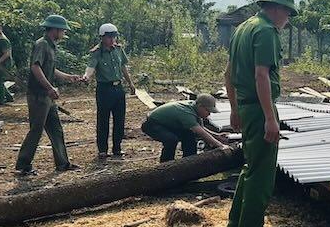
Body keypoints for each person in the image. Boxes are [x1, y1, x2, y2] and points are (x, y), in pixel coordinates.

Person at [224, 0, 297, 227]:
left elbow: (228, 73)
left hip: (245, 106)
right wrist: (270, 118)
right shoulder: (266, 31)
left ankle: (236, 223)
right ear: (276, 8)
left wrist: (234, 109)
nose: (287, 19)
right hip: (259, 108)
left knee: (250, 166)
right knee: (262, 175)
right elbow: (261, 76)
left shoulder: (243, 28)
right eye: (287, 12)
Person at [15, 15, 82, 176]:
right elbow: (35, 67)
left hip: (47, 97)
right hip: (38, 95)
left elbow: (50, 69)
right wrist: (50, 87)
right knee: (36, 130)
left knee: (56, 129)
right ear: (55, 29)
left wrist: (68, 77)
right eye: (63, 30)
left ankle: (63, 163)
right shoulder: (42, 44)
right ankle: (23, 165)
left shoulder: (51, 46)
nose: (64, 33)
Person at [82, 23, 136, 160]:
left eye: (114, 36)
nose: (112, 40)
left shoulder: (118, 49)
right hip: (104, 89)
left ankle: (117, 148)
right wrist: (86, 77)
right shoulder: (96, 52)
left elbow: (123, 67)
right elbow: (91, 67)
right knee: (103, 120)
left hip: (118, 88)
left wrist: (130, 83)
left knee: (119, 120)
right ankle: (102, 150)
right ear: (102, 37)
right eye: (109, 37)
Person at [142, 93, 229, 162]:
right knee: (171, 139)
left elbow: (202, 128)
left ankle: (190, 161)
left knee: (189, 135)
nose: (209, 114)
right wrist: (220, 145)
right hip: (152, 125)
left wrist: (217, 136)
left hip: (167, 125)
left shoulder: (194, 108)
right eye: (207, 111)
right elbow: (201, 133)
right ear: (200, 106)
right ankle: (166, 164)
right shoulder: (187, 113)